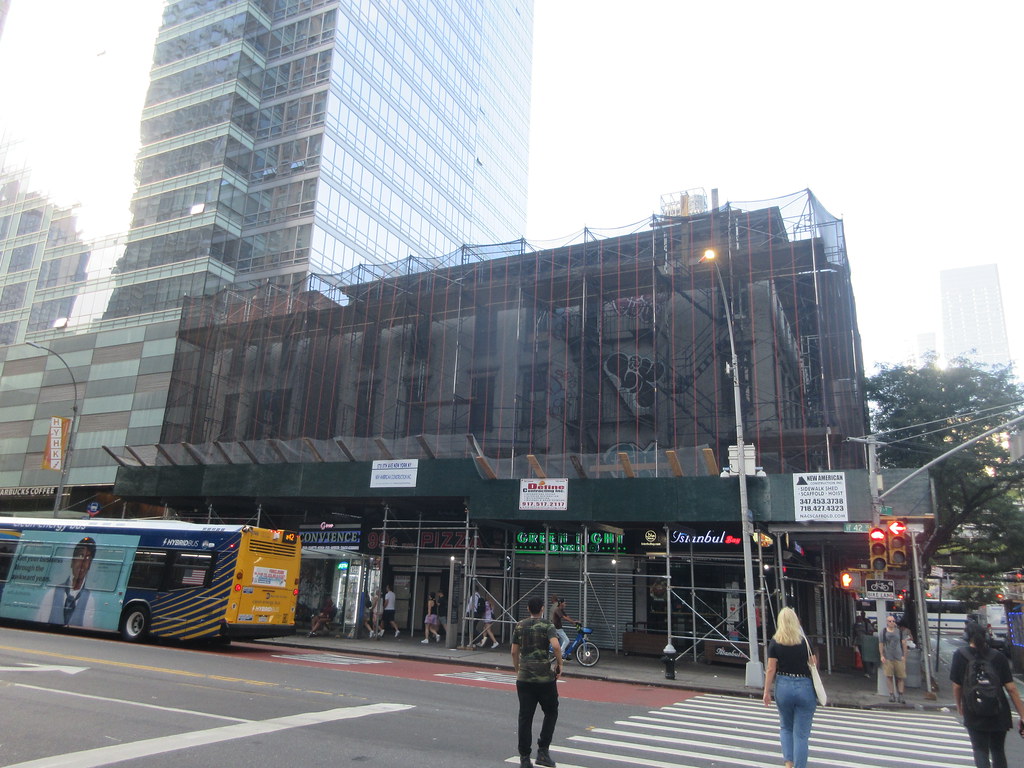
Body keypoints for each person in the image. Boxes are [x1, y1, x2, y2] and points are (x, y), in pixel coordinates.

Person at [951, 622, 1024, 768]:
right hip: (999, 710)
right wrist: (1022, 714)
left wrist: (959, 706)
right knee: (998, 750)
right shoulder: (998, 657)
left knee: (980, 749)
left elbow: (957, 686)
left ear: (967, 637)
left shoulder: (960, 655)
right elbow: (1011, 689)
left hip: (973, 709)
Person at [762, 606, 817, 768]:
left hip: (783, 685)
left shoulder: (775, 641)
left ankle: (788, 763)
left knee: (786, 726)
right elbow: (813, 663)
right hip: (804, 684)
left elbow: (771, 668)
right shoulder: (804, 641)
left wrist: (766, 691)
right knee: (801, 735)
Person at [512, 595, 561, 768]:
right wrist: (559, 664)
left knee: (525, 716)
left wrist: (518, 669)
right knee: (551, 711)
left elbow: (513, 651)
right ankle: (543, 751)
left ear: (527, 609)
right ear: (542, 609)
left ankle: (525, 758)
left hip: (525, 678)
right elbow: (555, 646)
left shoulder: (520, 625)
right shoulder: (548, 625)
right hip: (545, 679)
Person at [879, 614, 911, 703]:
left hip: (898, 657)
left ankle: (900, 695)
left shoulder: (899, 632)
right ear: (887, 622)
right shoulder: (883, 632)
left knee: (900, 677)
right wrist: (882, 655)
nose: (892, 623)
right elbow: (881, 644)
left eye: (893, 621)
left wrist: (904, 656)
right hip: (888, 657)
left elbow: (904, 643)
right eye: (890, 621)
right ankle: (891, 694)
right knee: (889, 676)